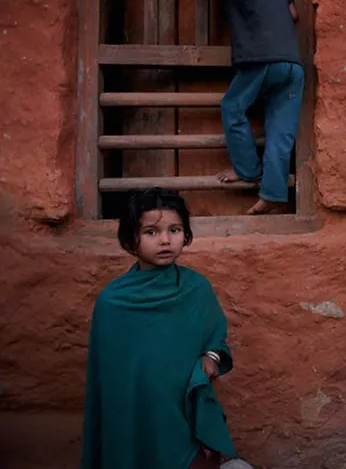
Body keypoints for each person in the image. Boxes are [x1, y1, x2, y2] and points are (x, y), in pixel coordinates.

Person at [82, 188, 238, 469]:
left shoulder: (196, 288)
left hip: (184, 410)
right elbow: (108, 378)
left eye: (175, 230)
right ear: (132, 237)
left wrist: (211, 358)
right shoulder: (113, 302)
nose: (165, 240)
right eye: (151, 232)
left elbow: (216, 338)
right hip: (133, 413)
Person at [191, 0, 304, 215]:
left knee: (232, 107)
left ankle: (247, 170)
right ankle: (274, 194)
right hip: (293, 66)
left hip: (261, 59)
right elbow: (293, 13)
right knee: (281, 131)